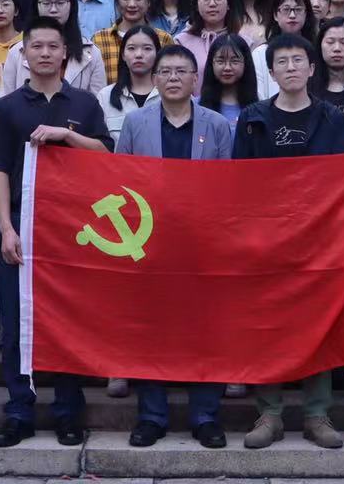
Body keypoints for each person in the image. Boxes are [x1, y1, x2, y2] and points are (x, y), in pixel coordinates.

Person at [0, 17, 114, 448]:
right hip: (23, 223)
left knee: (68, 320)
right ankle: (19, 410)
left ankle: (68, 411)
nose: (43, 53)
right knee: (16, 322)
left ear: (64, 54)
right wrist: (6, 228)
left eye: (52, 46)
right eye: (35, 46)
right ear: (24, 54)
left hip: (74, 230)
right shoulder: (8, 107)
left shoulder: (85, 104)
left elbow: (105, 154)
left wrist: (67, 136)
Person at [233, 33, 344, 449]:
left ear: (312, 68)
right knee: (268, 325)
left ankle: (317, 414)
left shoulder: (331, 118)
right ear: (271, 71)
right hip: (266, 240)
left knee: (317, 324)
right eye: (281, 61)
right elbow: (239, 180)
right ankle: (269, 413)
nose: (290, 67)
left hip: (318, 240)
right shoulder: (252, 117)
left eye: (298, 60)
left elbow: (343, 180)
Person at [117, 44, 233, 449]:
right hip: (150, 243)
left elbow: (227, 187)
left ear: (195, 79)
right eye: (165, 71)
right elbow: (120, 182)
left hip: (202, 244)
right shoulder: (135, 123)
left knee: (205, 329)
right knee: (150, 329)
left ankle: (205, 416)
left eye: (182, 71)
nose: (173, 78)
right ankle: (152, 416)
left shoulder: (217, 125)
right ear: (154, 78)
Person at [1, 0, 105, 95]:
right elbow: (7, 99)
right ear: (36, 6)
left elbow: (97, 101)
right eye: (46, 3)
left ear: (72, 5)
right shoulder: (16, 52)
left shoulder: (92, 52)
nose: (53, 9)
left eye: (60, 3)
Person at [92, 0, 173, 83]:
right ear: (116, 1)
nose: (132, 4)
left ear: (149, 1)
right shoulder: (99, 40)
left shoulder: (163, 39)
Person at [252, 0, 318, 96]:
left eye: (298, 10)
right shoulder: (260, 53)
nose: (292, 15)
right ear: (275, 15)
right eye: (286, 10)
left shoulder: (317, 50)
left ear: (306, 14)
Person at [99, 25, 161, 141]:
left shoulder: (171, 95)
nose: (139, 54)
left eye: (147, 48)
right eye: (131, 48)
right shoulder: (105, 96)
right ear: (123, 55)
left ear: (157, 53)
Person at [175, 0, 239, 83]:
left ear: (228, 3)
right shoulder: (181, 42)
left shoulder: (243, 41)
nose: (212, 4)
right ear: (196, 4)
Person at [201, 33, 259, 129]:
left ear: (246, 63)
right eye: (220, 61)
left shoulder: (259, 109)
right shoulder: (196, 107)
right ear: (212, 64)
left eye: (234, 61)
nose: (227, 68)